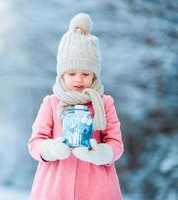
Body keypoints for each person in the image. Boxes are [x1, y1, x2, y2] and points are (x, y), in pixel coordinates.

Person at [28, 13, 124, 200]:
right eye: (71, 73)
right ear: (61, 74)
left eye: (86, 73)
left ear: (94, 76)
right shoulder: (51, 102)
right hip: (54, 188)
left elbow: (116, 143)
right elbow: (35, 142)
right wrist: (50, 150)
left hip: (97, 189)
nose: (79, 79)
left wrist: (101, 154)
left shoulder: (104, 103)